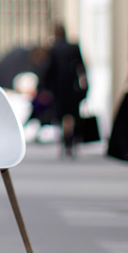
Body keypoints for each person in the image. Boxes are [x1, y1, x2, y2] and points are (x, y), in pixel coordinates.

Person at [43, 24, 87, 158]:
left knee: (62, 115)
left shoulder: (54, 49)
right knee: (72, 115)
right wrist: (85, 85)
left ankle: (66, 141)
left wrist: (46, 88)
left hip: (59, 88)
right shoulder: (74, 47)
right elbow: (81, 67)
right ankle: (71, 140)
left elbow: (49, 71)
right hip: (73, 86)